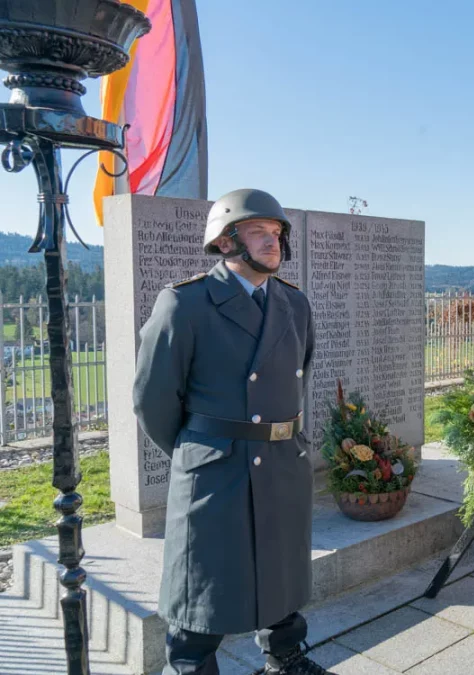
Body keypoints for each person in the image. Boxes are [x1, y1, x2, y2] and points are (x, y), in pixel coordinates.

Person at [133, 189, 330, 675]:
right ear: (224, 243)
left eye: (277, 232)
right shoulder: (186, 304)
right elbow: (153, 399)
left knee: (281, 574)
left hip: (282, 461)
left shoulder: (294, 304)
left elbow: (296, 378)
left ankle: (285, 658)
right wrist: (202, 450)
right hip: (216, 469)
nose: (273, 241)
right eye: (257, 231)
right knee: (202, 588)